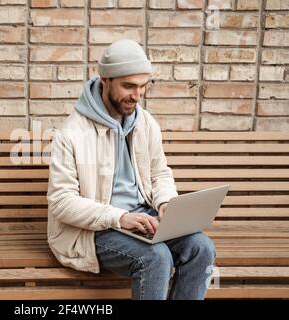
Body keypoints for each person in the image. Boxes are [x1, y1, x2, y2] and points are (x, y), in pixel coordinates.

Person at [46, 39, 216, 300]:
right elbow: (61, 202)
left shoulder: (145, 123)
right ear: (105, 80)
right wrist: (120, 217)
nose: (137, 96)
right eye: (128, 86)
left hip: (144, 218)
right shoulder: (71, 133)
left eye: (142, 86)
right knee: (155, 258)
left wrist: (166, 203)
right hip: (96, 229)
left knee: (201, 248)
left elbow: (160, 173)